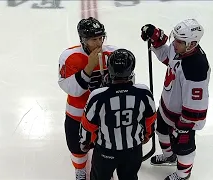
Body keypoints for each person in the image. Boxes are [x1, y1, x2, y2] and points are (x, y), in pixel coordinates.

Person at [140, 19, 211, 180]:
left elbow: (196, 103)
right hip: (167, 106)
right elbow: (167, 57)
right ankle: (169, 156)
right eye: (175, 39)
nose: (174, 44)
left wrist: (184, 125)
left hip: (182, 117)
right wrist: (156, 39)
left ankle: (183, 174)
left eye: (179, 41)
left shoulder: (196, 68)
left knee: (184, 146)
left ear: (192, 43)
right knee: (161, 130)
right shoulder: (181, 49)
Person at [79, 49, 157, 180]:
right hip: (133, 150)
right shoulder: (144, 92)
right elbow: (150, 119)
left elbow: (88, 126)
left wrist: (85, 143)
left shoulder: (98, 96)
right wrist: (147, 135)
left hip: (105, 152)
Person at [58, 17, 117, 180]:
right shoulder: (69, 56)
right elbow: (72, 90)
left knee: (106, 146)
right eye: (93, 39)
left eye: (100, 38)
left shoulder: (113, 54)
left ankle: (106, 169)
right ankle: (80, 170)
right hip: (77, 113)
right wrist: (89, 67)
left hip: (104, 114)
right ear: (83, 40)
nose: (98, 44)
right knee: (77, 147)